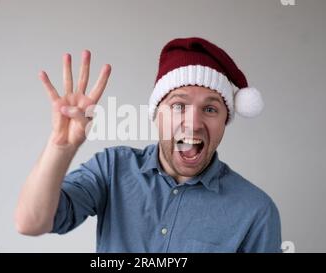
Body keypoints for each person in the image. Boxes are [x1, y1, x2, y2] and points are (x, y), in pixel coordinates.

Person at [15, 37, 282, 253]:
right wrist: (61, 145)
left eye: (210, 109)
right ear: (157, 114)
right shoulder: (112, 168)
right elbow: (31, 222)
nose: (194, 123)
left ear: (225, 121)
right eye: (179, 105)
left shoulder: (256, 210)